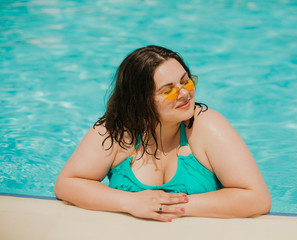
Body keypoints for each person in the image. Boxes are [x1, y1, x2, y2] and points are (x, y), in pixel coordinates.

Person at [54, 45, 271, 222]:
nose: (185, 93)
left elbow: (257, 198)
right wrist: (129, 202)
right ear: (140, 101)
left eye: (185, 80)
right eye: (169, 90)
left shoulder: (206, 126)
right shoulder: (116, 131)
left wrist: (170, 206)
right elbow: (67, 184)